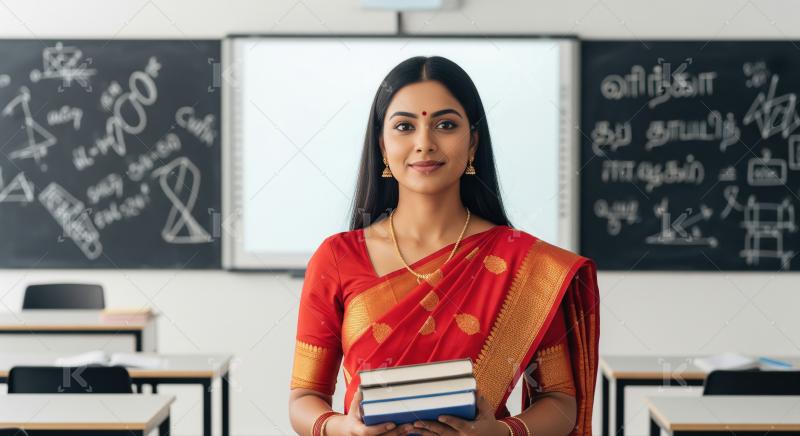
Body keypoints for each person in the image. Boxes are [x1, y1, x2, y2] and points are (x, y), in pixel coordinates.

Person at [289, 55, 599, 436]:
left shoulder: (526, 265)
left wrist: (502, 433)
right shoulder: (337, 257)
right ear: (382, 147)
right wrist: (343, 429)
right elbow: (304, 397)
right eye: (405, 126)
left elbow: (561, 401)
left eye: (446, 125)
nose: (424, 143)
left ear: (472, 144)